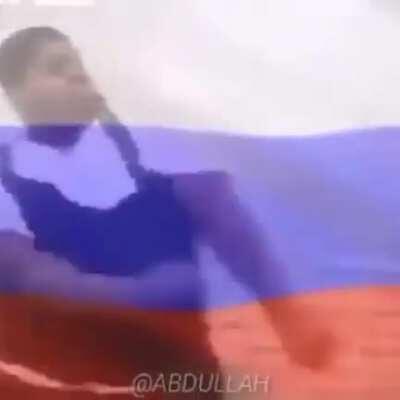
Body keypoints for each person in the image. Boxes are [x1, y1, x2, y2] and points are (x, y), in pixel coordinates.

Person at [0, 26, 335, 394]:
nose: (78, 75)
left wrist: (288, 316)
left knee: (204, 189)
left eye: (80, 65)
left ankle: (281, 324)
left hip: (176, 373)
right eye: (57, 67)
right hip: (69, 377)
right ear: (16, 92)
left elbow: (225, 219)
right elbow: (37, 278)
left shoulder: (148, 150)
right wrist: (154, 292)